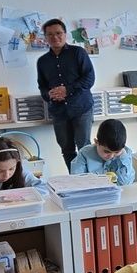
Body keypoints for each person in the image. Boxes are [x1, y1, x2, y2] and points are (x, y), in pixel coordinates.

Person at [37, 18, 95, 170]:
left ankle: (89, 180)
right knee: (66, 149)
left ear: (65, 34)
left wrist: (67, 89)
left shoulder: (78, 53)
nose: (55, 37)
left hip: (81, 108)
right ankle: (74, 181)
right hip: (59, 112)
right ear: (45, 37)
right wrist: (49, 94)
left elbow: (89, 78)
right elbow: (42, 87)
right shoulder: (42, 61)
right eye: (50, 34)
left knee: (84, 148)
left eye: (58, 33)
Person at [70, 118, 135, 186]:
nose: (111, 156)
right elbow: (77, 182)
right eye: (107, 151)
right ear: (96, 142)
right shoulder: (84, 154)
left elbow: (126, 183)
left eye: (116, 152)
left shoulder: (125, 153)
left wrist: (123, 157)